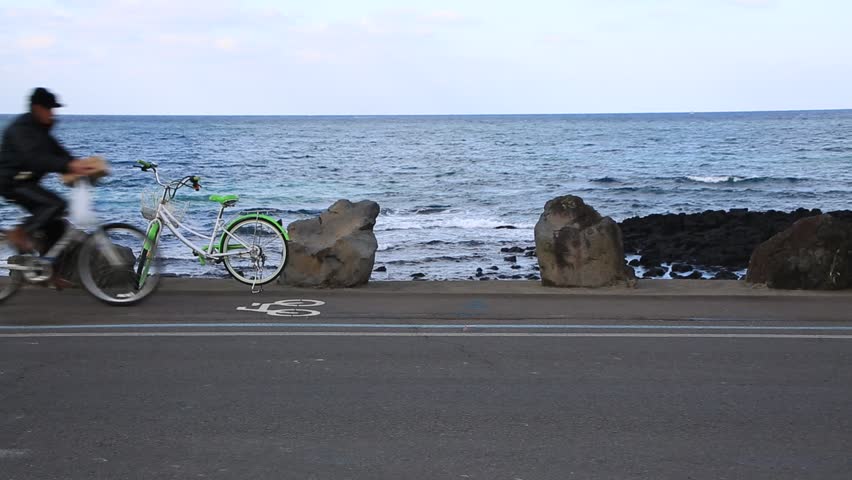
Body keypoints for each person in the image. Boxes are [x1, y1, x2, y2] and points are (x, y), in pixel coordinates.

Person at [0, 87, 100, 253]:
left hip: (26, 181)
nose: (52, 113)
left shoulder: (40, 129)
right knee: (54, 204)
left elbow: (57, 151)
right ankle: (20, 233)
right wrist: (68, 166)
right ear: (38, 108)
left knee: (56, 226)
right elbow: (34, 159)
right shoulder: (21, 130)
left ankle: (46, 269)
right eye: (49, 109)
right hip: (11, 181)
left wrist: (78, 164)